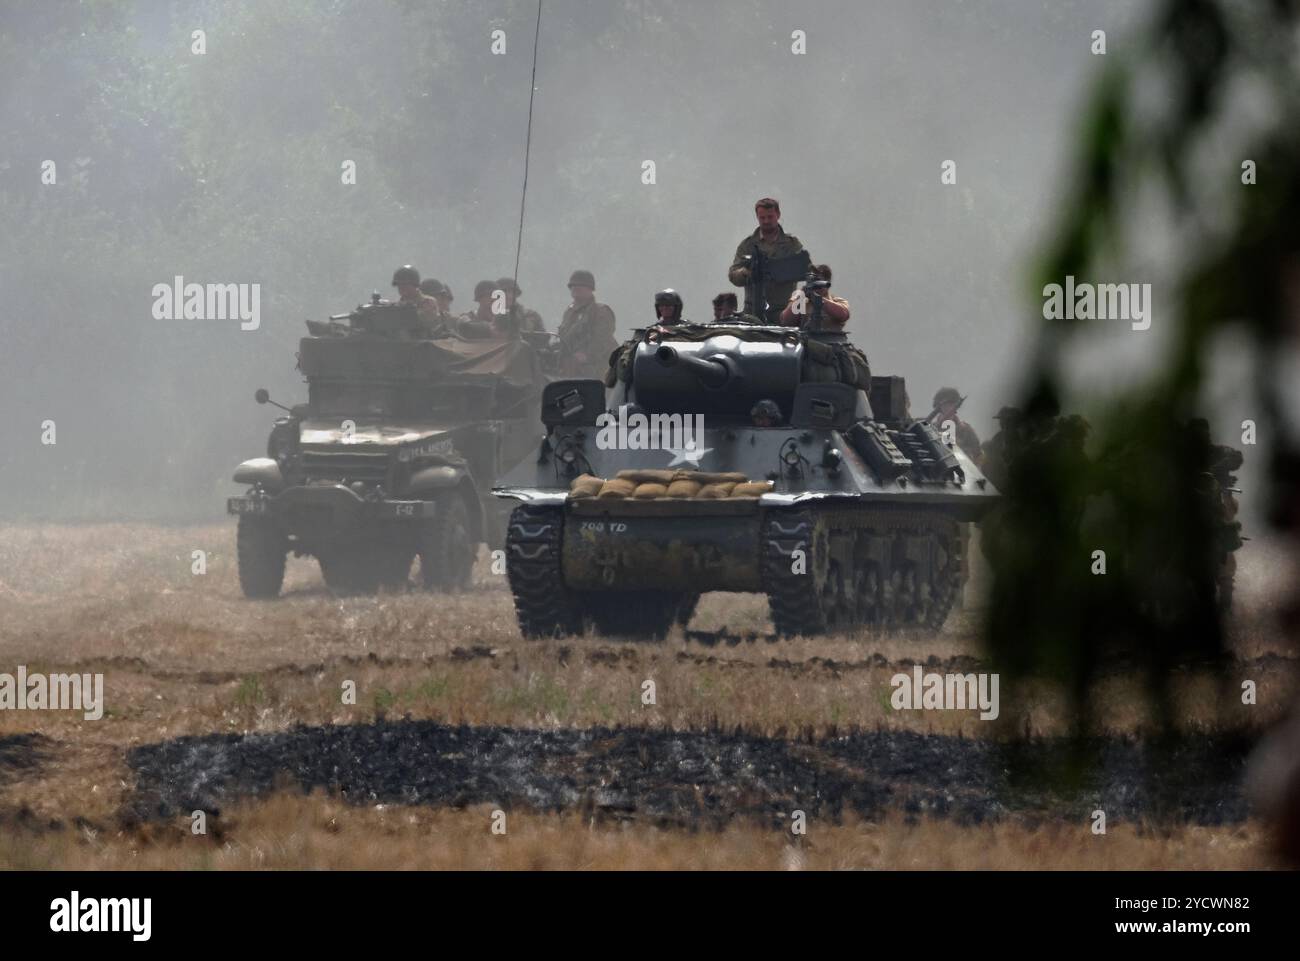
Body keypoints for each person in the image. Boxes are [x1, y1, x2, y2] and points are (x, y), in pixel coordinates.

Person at [728, 197, 808, 324]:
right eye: (762, 218)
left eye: (770, 217)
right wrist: (747, 272)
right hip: (752, 312)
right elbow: (733, 275)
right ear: (757, 217)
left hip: (783, 312)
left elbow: (804, 269)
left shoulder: (791, 244)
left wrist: (777, 270)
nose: (766, 221)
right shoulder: (747, 245)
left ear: (778, 215)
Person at [558, 269, 618, 379]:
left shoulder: (600, 311)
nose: (576, 288)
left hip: (598, 367)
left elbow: (602, 339)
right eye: (573, 285)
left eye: (581, 285)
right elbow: (564, 339)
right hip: (571, 368)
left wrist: (587, 355)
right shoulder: (569, 313)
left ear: (590, 289)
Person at [780, 264, 850, 331]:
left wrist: (819, 299)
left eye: (818, 279)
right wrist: (801, 297)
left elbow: (843, 314)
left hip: (830, 340)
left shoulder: (837, 301)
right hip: (806, 340)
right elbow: (785, 320)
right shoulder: (802, 300)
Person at [930, 387, 982, 463]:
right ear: (939, 406)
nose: (949, 407)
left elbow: (978, 455)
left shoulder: (966, 430)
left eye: (951, 404)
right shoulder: (931, 429)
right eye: (945, 404)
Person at [391, 265, 444, 336]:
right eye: (399, 285)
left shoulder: (428, 302)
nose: (401, 288)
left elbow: (428, 321)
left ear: (414, 284)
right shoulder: (397, 306)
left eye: (405, 284)